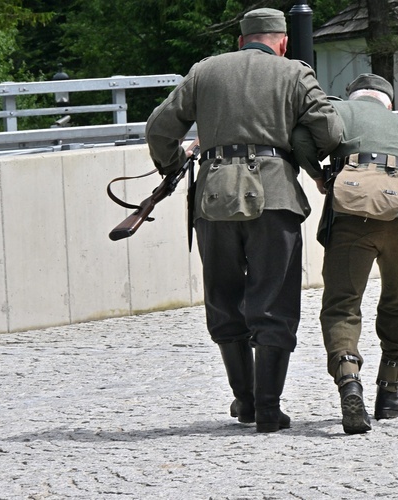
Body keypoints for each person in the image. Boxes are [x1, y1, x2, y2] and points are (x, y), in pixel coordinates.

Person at [144, 8, 343, 433]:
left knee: (223, 297)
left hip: (213, 197)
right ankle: (269, 408)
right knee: (274, 300)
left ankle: (245, 400)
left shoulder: (205, 71)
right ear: (283, 42)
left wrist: (174, 165)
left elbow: (159, 127)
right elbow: (329, 131)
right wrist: (300, 145)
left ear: (241, 40)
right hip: (275, 198)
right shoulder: (294, 73)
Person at [293, 74, 398, 434]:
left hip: (351, 213)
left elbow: (300, 137)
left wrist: (317, 174)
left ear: (354, 96)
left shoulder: (337, 111)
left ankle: (350, 380)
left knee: (342, 305)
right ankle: (389, 394)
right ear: (389, 104)